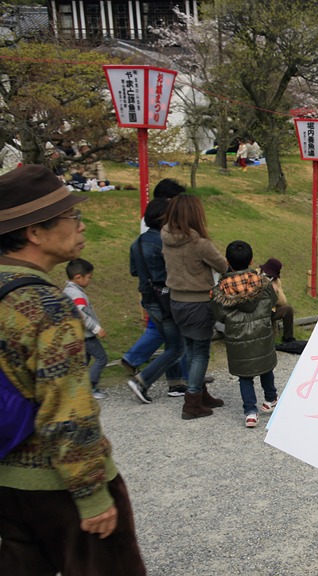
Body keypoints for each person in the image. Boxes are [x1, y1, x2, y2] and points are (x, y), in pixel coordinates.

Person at [0, 164, 146, 575]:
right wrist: (92, 494)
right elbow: (69, 410)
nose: (82, 226)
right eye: (73, 218)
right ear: (34, 231)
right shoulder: (46, 305)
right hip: (56, 486)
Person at [161, 194, 229, 419]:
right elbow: (223, 265)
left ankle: (200, 393)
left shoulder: (166, 237)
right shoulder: (199, 244)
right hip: (198, 303)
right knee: (200, 352)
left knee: (191, 350)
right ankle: (191, 403)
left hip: (176, 302)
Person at [126, 198, 188, 403]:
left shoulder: (137, 243)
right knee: (177, 347)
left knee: (171, 342)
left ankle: (176, 383)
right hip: (166, 300)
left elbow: (134, 271)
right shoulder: (165, 242)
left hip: (148, 300)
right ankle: (142, 381)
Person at [211, 241, 279, 428]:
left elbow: (219, 314)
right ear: (251, 260)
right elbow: (272, 301)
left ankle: (250, 412)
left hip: (237, 337)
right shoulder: (262, 283)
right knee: (265, 367)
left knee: (245, 376)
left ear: (227, 261)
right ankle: (271, 399)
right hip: (261, 332)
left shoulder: (220, 290)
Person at [63, 258, 109, 399]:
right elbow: (81, 314)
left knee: (83, 361)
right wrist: (96, 328)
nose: (90, 280)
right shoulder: (77, 294)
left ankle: (76, 387)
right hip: (86, 335)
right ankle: (91, 387)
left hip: (77, 334)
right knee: (102, 358)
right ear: (78, 277)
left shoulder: (68, 291)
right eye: (89, 277)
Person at [259, 257, 295, 343]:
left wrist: (276, 291)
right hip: (258, 309)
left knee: (288, 309)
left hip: (271, 309)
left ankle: (288, 338)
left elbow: (283, 302)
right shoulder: (255, 276)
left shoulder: (276, 281)